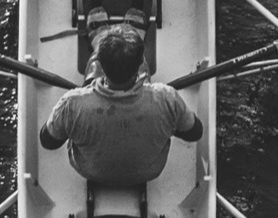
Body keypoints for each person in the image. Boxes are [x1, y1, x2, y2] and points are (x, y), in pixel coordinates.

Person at [38, 24, 202, 184]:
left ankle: (97, 40)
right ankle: (135, 36)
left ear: (102, 65)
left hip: (90, 171)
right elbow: (194, 132)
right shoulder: (167, 98)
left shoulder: (72, 103)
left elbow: (49, 141)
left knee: (90, 77)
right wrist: (168, 124)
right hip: (149, 171)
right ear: (139, 66)